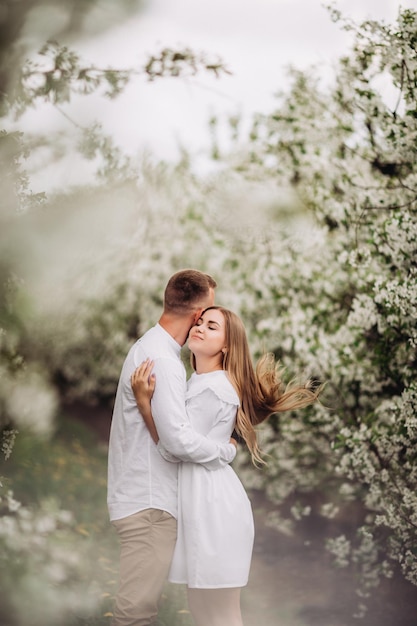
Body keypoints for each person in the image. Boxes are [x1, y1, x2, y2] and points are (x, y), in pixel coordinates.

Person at [132, 305, 321, 626]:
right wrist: (222, 450)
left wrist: (144, 405)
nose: (200, 327)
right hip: (204, 503)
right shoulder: (199, 382)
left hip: (214, 508)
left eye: (212, 326)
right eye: (200, 322)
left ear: (226, 346)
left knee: (219, 613)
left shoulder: (216, 388)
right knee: (204, 609)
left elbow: (177, 446)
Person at [107, 271, 238, 626]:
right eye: (208, 312)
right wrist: (226, 451)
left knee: (139, 610)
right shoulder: (164, 362)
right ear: (197, 314)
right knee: (136, 613)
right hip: (150, 502)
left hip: (141, 497)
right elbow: (176, 441)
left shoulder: (150, 348)